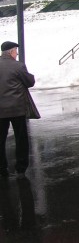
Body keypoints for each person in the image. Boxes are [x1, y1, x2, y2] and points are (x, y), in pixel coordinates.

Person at [0, 41, 36, 179]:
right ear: (10, 52)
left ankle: (2, 168)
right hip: (16, 109)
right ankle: (21, 167)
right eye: (15, 50)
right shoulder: (18, 66)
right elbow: (29, 82)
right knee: (21, 139)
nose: (16, 53)